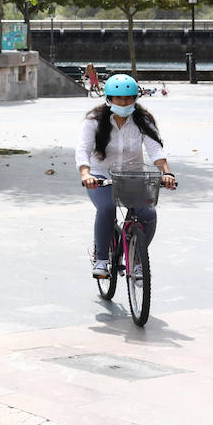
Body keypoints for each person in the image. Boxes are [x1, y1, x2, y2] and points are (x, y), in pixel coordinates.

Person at [76, 73, 178, 278]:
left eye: (129, 98)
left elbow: (156, 150)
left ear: (135, 98)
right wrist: (86, 174)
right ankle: (101, 259)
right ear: (109, 99)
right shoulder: (94, 120)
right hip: (101, 176)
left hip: (132, 176)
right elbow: (83, 149)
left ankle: (137, 258)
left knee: (148, 215)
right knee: (107, 208)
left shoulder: (143, 120)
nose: (124, 102)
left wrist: (167, 173)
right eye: (119, 98)